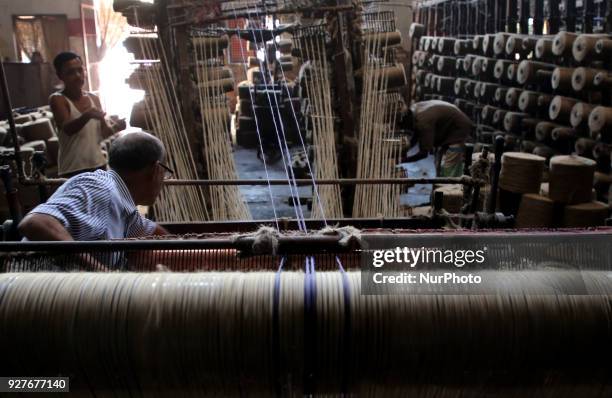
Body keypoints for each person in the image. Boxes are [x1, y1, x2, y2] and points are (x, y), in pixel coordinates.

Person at [18, 132, 170, 242]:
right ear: (157, 170)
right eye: (166, 173)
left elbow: (148, 230)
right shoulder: (102, 189)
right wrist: (100, 275)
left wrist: (184, 244)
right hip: (34, 285)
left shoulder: (123, 206)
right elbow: (36, 222)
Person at [50, 51, 126, 177]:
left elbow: (103, 133)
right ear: (60, 76)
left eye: (80, 70)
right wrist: (88, 115)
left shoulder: (93, 98)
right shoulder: (58, 99)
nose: (78, 75)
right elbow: (68, 129)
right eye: (70, 72)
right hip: (72, 170)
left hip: (99, 165)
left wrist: (117, 127)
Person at [400, 100, 473, 177]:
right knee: (438, 165)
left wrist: (402, 160)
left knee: (449, 167)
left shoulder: (423, 122)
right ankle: (440, 183)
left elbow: (424, 153)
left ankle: (449, 186)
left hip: (459, 128)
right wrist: (403, 151)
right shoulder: (414, 110)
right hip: (450, 126)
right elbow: (415, 137)